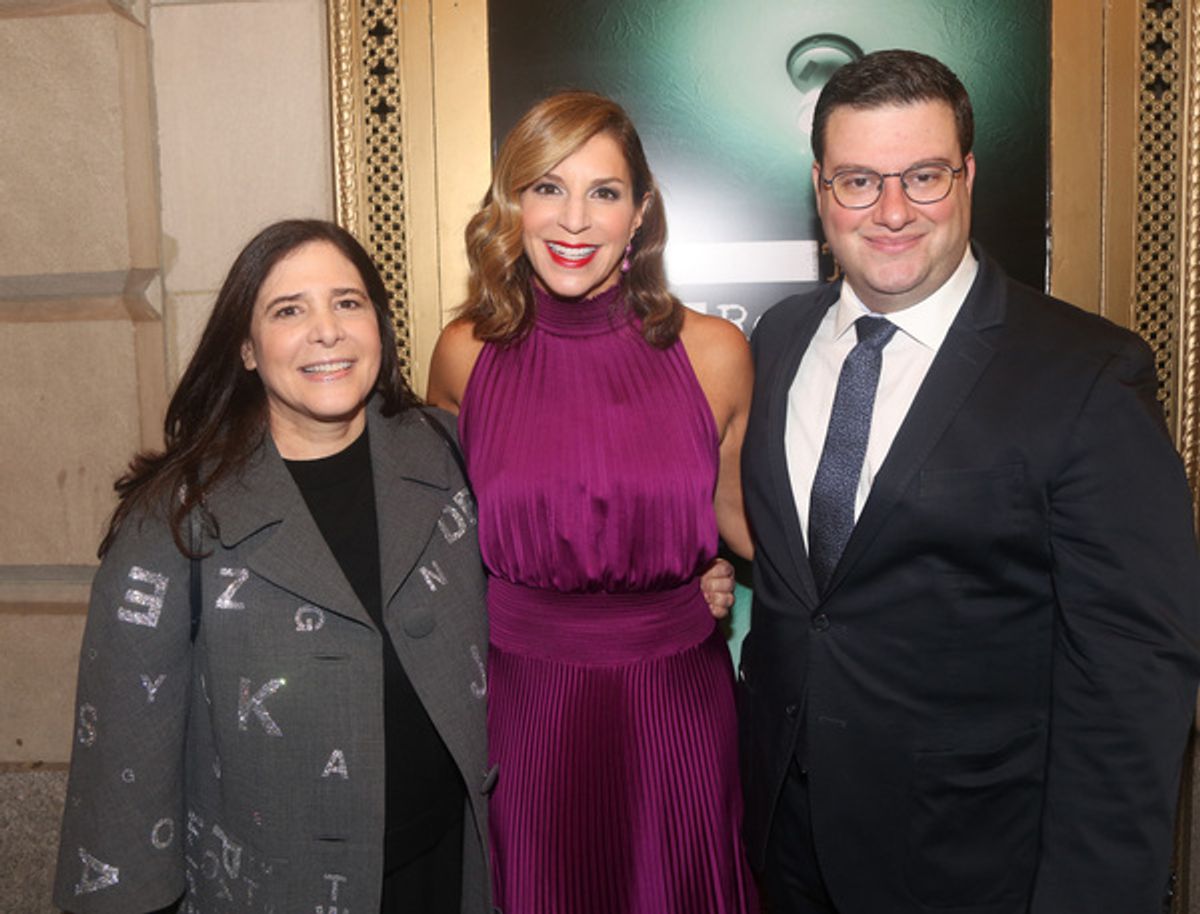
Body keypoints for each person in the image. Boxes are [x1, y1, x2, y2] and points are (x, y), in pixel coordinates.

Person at [738, 48, 1200, 914]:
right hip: (784, 842)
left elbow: (1135, 679)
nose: (892, 211)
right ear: (819, 188)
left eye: (923, 176)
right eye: (858, 180)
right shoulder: (775, 340)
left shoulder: (1086, 374)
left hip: (975, 861)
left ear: (970, 174)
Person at [53, 220, 491, 914]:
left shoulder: (448, 452)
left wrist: (694, 574)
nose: (327, 331)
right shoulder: (174, 519)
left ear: (379, 323)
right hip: (272, 889)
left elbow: (547, 565)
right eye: (289, 310)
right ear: (248, 349)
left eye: (348, 302)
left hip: (448, 869)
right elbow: (122, 766)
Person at [427, 90, 758, 913]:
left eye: (604, 192)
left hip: (674, 705)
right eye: (547, 187)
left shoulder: (714, 353)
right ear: (512, 204)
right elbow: (428, 544)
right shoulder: (464, 354)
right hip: (521, 706)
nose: (574, 220)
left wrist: (715, 576)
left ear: (639, 213)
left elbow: (746, 525)